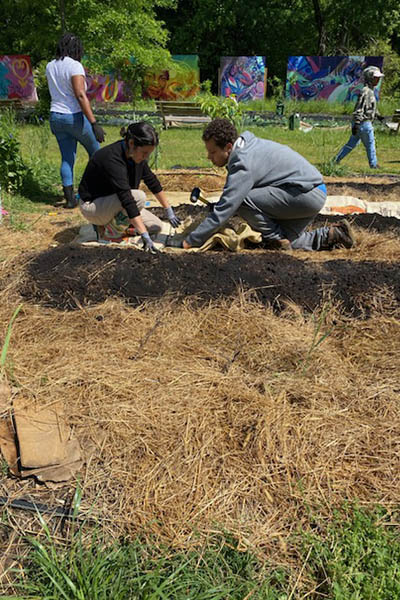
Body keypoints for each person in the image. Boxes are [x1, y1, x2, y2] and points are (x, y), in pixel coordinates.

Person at [178, 118, 354, 252]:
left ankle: (275, 238)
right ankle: (333, 234)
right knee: (289, 242)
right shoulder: (248, 147)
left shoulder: (243, 162)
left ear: (229, 147)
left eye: (213, 152)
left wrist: (191, 240)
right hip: (310, 192)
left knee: (243, 202)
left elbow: (229, 205)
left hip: (304, 194)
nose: (209, 157)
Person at [78, 121, 180, 253]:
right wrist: (144, 236)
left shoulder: (135, 156)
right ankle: (108, 233)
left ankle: (114, 226)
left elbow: (152, 181)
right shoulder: (112, 159)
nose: (146, 157)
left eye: (148, 153)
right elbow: (126, 198)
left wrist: (169, 210)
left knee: (156, 227)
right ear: (131, 143)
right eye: (144, 153)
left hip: (114, 204)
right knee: (139, 197)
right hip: (93, 206)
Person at [46, 33, 106, 209]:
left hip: (55, 116)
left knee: (67, 158)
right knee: (96, 153)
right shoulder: (75, 66)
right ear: (76, 49)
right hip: (73, 116)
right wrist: (94, 123)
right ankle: (93, 191)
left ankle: (70, 199)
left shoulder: (50, 65)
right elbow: (80, 95)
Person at [334, 66, 384, 169]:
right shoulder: (366, 91)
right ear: (370, 78)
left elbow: (370, 107)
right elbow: (359, 107)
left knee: (351, 144)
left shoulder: (370, 90)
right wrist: (357, 123)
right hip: (364, 123)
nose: (378, 80)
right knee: (370, 144)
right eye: (376, 77)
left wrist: (378, 115)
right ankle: (373, 165)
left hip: (360, 123)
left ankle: (335, 160)